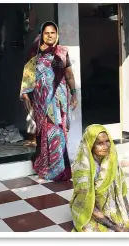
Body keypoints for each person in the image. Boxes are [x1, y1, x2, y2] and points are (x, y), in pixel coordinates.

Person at [20, 21, 78, 182]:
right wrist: (25, 93)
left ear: (57, 34)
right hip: (41, 101)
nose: (50, 35)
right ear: (42, 35)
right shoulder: (35, 54)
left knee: (58, 131)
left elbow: (69, 75)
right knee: (44, 132)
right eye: (47, 33)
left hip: (59, 100)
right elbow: (28, 77)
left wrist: (74, 94)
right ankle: (45, 166)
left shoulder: (62, 52)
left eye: (53, 32)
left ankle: (60, 169)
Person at [70, 124, 129, 232]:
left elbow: (121, 191)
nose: (106, 146)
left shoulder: (111, 161)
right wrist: (115, 227)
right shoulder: (81, 167)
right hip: (88, 210)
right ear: (90, 144)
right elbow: (88, 204)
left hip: (111, 208)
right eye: (100, 143)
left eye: (107, 141)